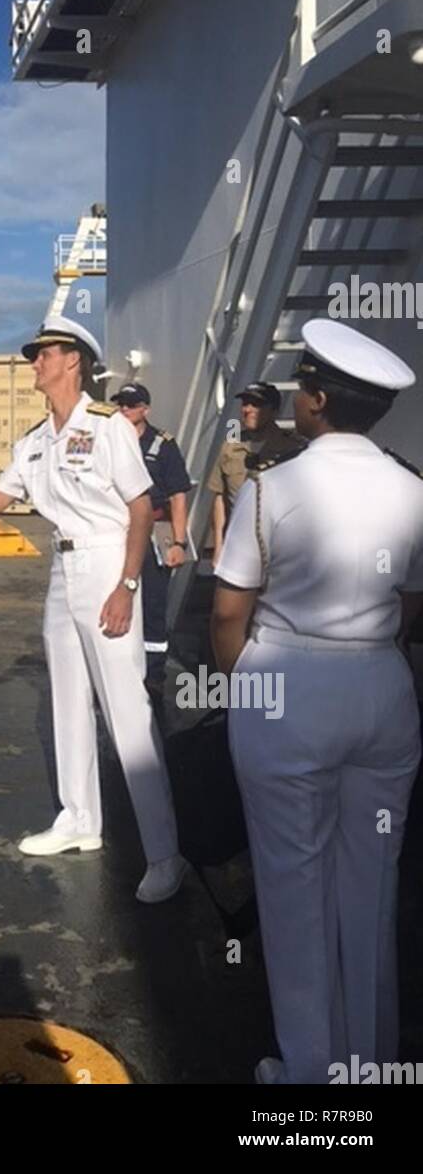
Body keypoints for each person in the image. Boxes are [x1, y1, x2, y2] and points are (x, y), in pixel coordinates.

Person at [211, 319, 423, 1084]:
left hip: (288, 689)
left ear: (316, 399)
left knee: (293, 882)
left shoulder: (272, 489)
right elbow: (414, 603)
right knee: (370, 881)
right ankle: (367, 1065)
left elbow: (229, 610)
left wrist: (242, 691)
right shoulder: (411, 487)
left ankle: (309, 1073)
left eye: (302, 387)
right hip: (381, 688)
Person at [0, 316, 188, 903]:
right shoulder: (36, 441)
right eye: (34, 354)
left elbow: (143, 508)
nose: (34, 362)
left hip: (108, 561)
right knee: (67, 699)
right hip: (63, 570)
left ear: (74, 361)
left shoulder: (109, 426)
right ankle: (79, 820)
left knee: (127, 710)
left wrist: (127, 586)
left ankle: (165, 853)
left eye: (44, 353)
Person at [112, 382, 192, 687]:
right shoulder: (108, 439)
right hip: (117, 530)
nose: (124, 410)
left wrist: (179, 542)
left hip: (152, 531)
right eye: (120, 404)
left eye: (130, 405)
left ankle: (153, 675)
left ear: (145, 408)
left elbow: (177, 496)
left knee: (153, 604)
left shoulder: (163, 444)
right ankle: (118, 669)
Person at [208, 381, 302, 563]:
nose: (248, 409)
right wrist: (219, 546)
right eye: (245, 404)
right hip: (239, 543)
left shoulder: (292, 448)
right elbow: (220, 497)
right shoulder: (231, 446)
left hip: (279, 544)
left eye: (257, 404)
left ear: (274, 410)